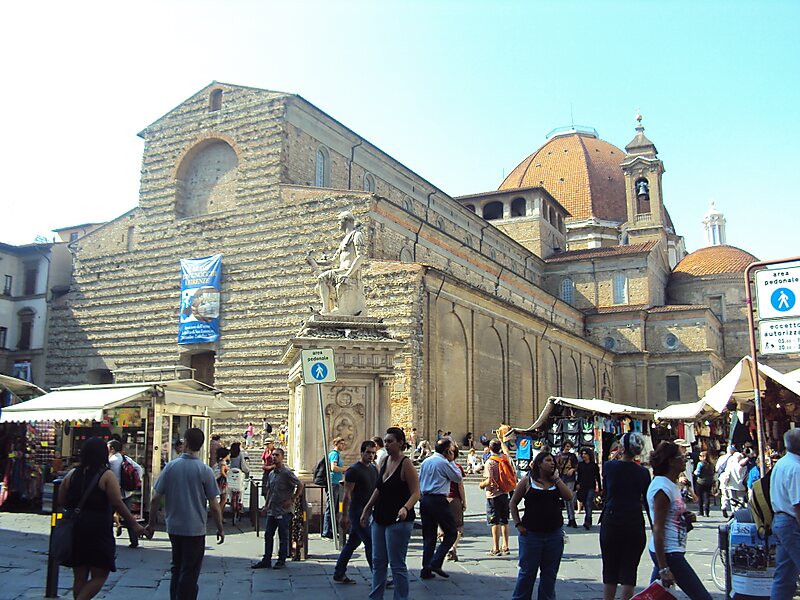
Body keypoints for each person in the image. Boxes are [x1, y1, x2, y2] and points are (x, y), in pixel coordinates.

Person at [57, 437, 147, 600]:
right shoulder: (106, 475)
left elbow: (61, 500)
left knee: (79, 576)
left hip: (76, 527)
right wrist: (135, 525)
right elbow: (118, 503)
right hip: (98, 528)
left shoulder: (71, 474)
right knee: (100, 574)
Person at [145, 428, 223, 600]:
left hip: (173, 527)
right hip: (195, 528)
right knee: (190, 570)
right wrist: (220, 527)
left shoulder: (171, 467)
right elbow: (215, 506)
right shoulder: (205, 470)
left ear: (185, 442)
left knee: (177, 567)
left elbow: (155, 498)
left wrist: (151, 524)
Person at [361, 427, 420, 600]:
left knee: (397, 564)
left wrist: (405, 508)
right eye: (385, 441)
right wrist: (367, 509)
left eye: (390, 441)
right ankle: (375, 597)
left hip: (399, 520)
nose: (386, 444)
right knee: (378, 562)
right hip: (380, 517)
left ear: (400, 443)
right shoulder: (384, 461)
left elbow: (416, 492)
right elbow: (379, 488)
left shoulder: (406, 464)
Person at [647, 441, 711, 600]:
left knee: (654, 596)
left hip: (670, 548)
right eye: (681, 457)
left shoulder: (671, 485)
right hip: (669, 552)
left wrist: (686, 519)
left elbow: (671, 517)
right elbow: (658, 528)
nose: (685, 459)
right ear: (670, 461)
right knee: (702, 597)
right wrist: (663, 567)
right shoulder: (662, 488)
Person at [509, 450, 573, 600]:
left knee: (549, 574)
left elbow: (569, 497)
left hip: (554, 535)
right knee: (527, 573)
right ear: (539, 463)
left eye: (553, 461)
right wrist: (518, 524)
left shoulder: (556, 482)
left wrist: (557, 479)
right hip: (531, 535)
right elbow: (513, 503)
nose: (552, 463)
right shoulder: (527, 481)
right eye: (548, 461)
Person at [600, 432, 651, 600]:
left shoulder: (609, 466)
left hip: (612, 519)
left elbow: (605, 488)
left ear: (621, 447)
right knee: (630, 570)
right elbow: (647, 501)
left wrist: (617, 454)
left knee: (610, 567)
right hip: (634, 521)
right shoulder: (643, 473)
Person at [334, 440, 378, 584]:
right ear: (361, 452)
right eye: (368, 452)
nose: (371, 455)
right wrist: (344, 515)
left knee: (352, 543)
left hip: (368, 511)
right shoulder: (353, 470)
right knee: (370, 543)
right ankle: (378, 575)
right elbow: (346, 495)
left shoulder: (373, 469)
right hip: (357, 512)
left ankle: (339, 572)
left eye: (373, 453)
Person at [252, 447, 303, 570]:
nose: (274, 457)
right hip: (272, 509)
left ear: (282, 457)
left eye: (277, 455)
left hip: (284, 510)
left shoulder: (286, 473)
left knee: (283, 535)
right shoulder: (271, 474)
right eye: (273, 455)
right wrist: (266, 505)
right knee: (268, 534)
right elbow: (270, 490)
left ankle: (281, 559)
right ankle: (267, 559)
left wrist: (292, 499)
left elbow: (300, 484)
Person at [307, 210, 367, 316]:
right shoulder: (344, 240)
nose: (338, 223)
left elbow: (360, 256)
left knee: (322, 278)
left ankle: (326, 310)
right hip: (341, 271)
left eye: (339, 220)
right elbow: (331, 261)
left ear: (346, 220)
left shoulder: (357, 235)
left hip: (349, 271)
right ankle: (327, 309)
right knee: (321, 280)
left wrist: (347, 274)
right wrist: (314, 262)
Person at [419, 437, 463, 579]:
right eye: (450, 450)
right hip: (438, 500)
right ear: (446, 451)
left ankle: (426, 569)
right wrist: (451, 461)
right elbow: (457, 477)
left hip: (425, 499)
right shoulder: (443, 462)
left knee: (429, 535)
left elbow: (420, 480)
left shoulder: (426, 461)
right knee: (451, 533)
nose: (451, 452)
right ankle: (436, 562)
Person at [771, 430, 800, 600]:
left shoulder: (783, 463)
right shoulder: (795, 468)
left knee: (784, 574)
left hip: (782, 521)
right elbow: (798, 505)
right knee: (785, 574)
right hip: (790, 522)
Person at [107, 440, 144, 548]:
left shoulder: (111, 461)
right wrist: (136, 481)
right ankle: (134, 540)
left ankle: (108, 539)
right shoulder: (125, 458)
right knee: (128, 517)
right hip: (126, 492)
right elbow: (139, 468)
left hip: (113, 493)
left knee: (108, 517)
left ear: (112, 449)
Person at [480, 437, 513, 556]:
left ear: (489, 448)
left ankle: (496, 547)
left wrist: (481, 484)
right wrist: (502, 441)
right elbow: (507, 452)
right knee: (504, 520)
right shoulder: (504, 459)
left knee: (494, 522)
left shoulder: (490, 462)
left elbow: (489, 481)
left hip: (493, 495)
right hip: (504, 493)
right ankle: (506, 546)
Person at [322, 436, 348, 540]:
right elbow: (333, 468)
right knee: (331, 507)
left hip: (337, 483)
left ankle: (332, 529)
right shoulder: (334, 454)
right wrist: (345, 469)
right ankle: (326, 530)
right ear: (336, 444)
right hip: (333, 482)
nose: (343, 446)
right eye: (341, 444)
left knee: (336, 507)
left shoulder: (338, 455)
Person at [446, 445, 467, 562]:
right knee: (458, 525)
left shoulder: (440, 466)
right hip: (455, 499)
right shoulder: (457, 467)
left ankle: (448, 547)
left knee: (442, 526)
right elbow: (460, 486)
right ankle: (453, 547)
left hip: (442, 499)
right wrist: (464, 501)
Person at [575, 447, 601, 530]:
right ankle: (589, 519)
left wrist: (599, 488)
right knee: (585, 503)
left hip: (591, 486)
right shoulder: (580, 465)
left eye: (585, 454)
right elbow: (578, 476)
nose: (583, 455)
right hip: (582, 486)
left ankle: (587, 520)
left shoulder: (594, 465)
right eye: (582, 454)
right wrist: (577, 484)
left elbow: (597, 477)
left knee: (588, 503)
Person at [555, 441, 579, 528]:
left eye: (569, 446)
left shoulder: (572, 456)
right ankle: (570, 518)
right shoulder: (558, 455)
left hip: (570, 479)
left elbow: (576, 466)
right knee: (566, 499)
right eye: (567, 446)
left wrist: (572, 470)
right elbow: (556, 466)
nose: (568, 448)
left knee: (570, 498)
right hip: (562, 478)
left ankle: (572, 518)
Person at [720, 446, 747, 517]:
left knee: (732, 500)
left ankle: (733, 512)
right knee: (741, 500)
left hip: (731, 485)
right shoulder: (744, 465)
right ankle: (737, 512)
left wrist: (725, 483)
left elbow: (727, 474)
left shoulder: (731, 464)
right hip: (741, 486)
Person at [693, 450, 714, 517]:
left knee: (700, 497)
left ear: (703, 457)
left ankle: (701, 511)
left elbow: (697, 473)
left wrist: (694, 472)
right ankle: (707, 511)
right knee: (707, 496)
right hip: (709, 482)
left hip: (700, 482)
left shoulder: (700, 464)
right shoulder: (711, 464)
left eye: (700, 456)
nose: (699, 457)